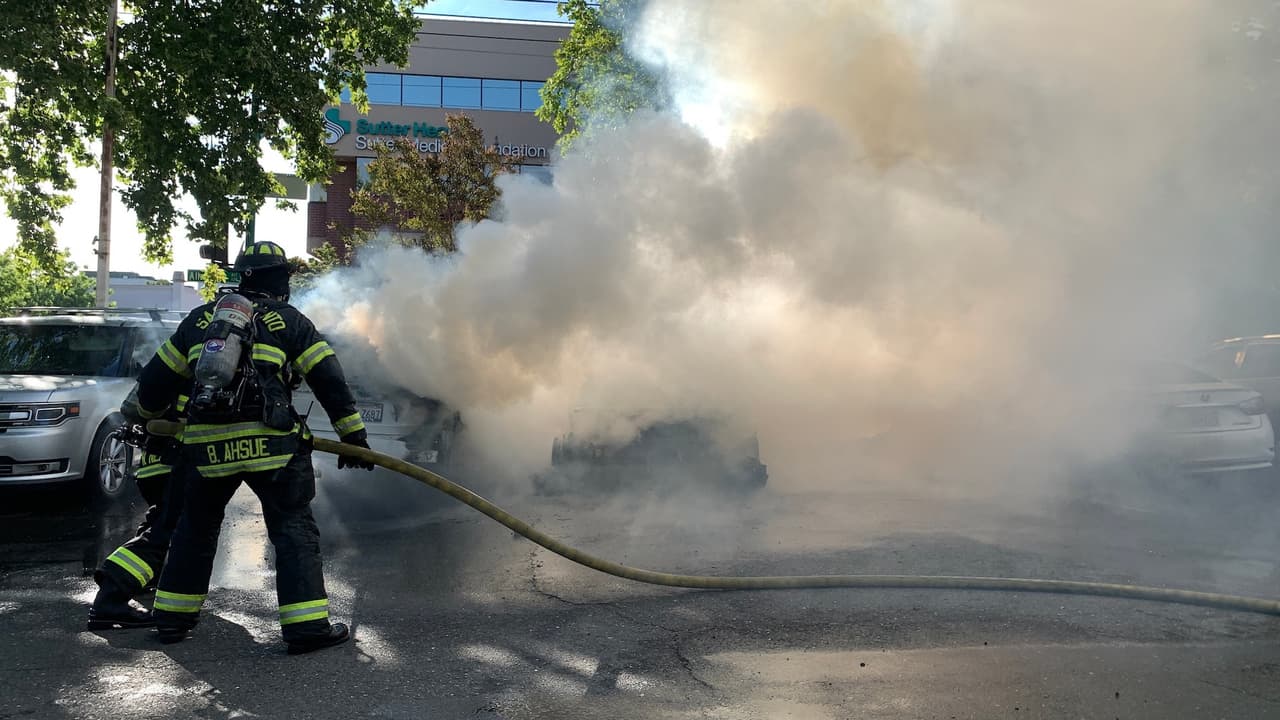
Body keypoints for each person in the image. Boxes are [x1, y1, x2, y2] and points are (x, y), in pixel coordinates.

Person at [132, 240, 375, 655]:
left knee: (195, 530)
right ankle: (306, 628)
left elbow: (154, 385)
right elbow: (329, 380)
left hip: (206, 450)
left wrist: (149, 420)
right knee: (292, 531)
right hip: (273, 448)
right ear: (278, 280)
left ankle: (172, 618)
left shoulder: (201, 321)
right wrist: (352, 436)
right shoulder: (289, 321)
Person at [86, 388, 188, 630]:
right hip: (177, 465)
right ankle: (112, 593)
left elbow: (131, 407)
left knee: (159, 523)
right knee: (164, 533)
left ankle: (141, 578)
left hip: (154, 466)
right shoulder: (214, 363)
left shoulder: (176, 361)